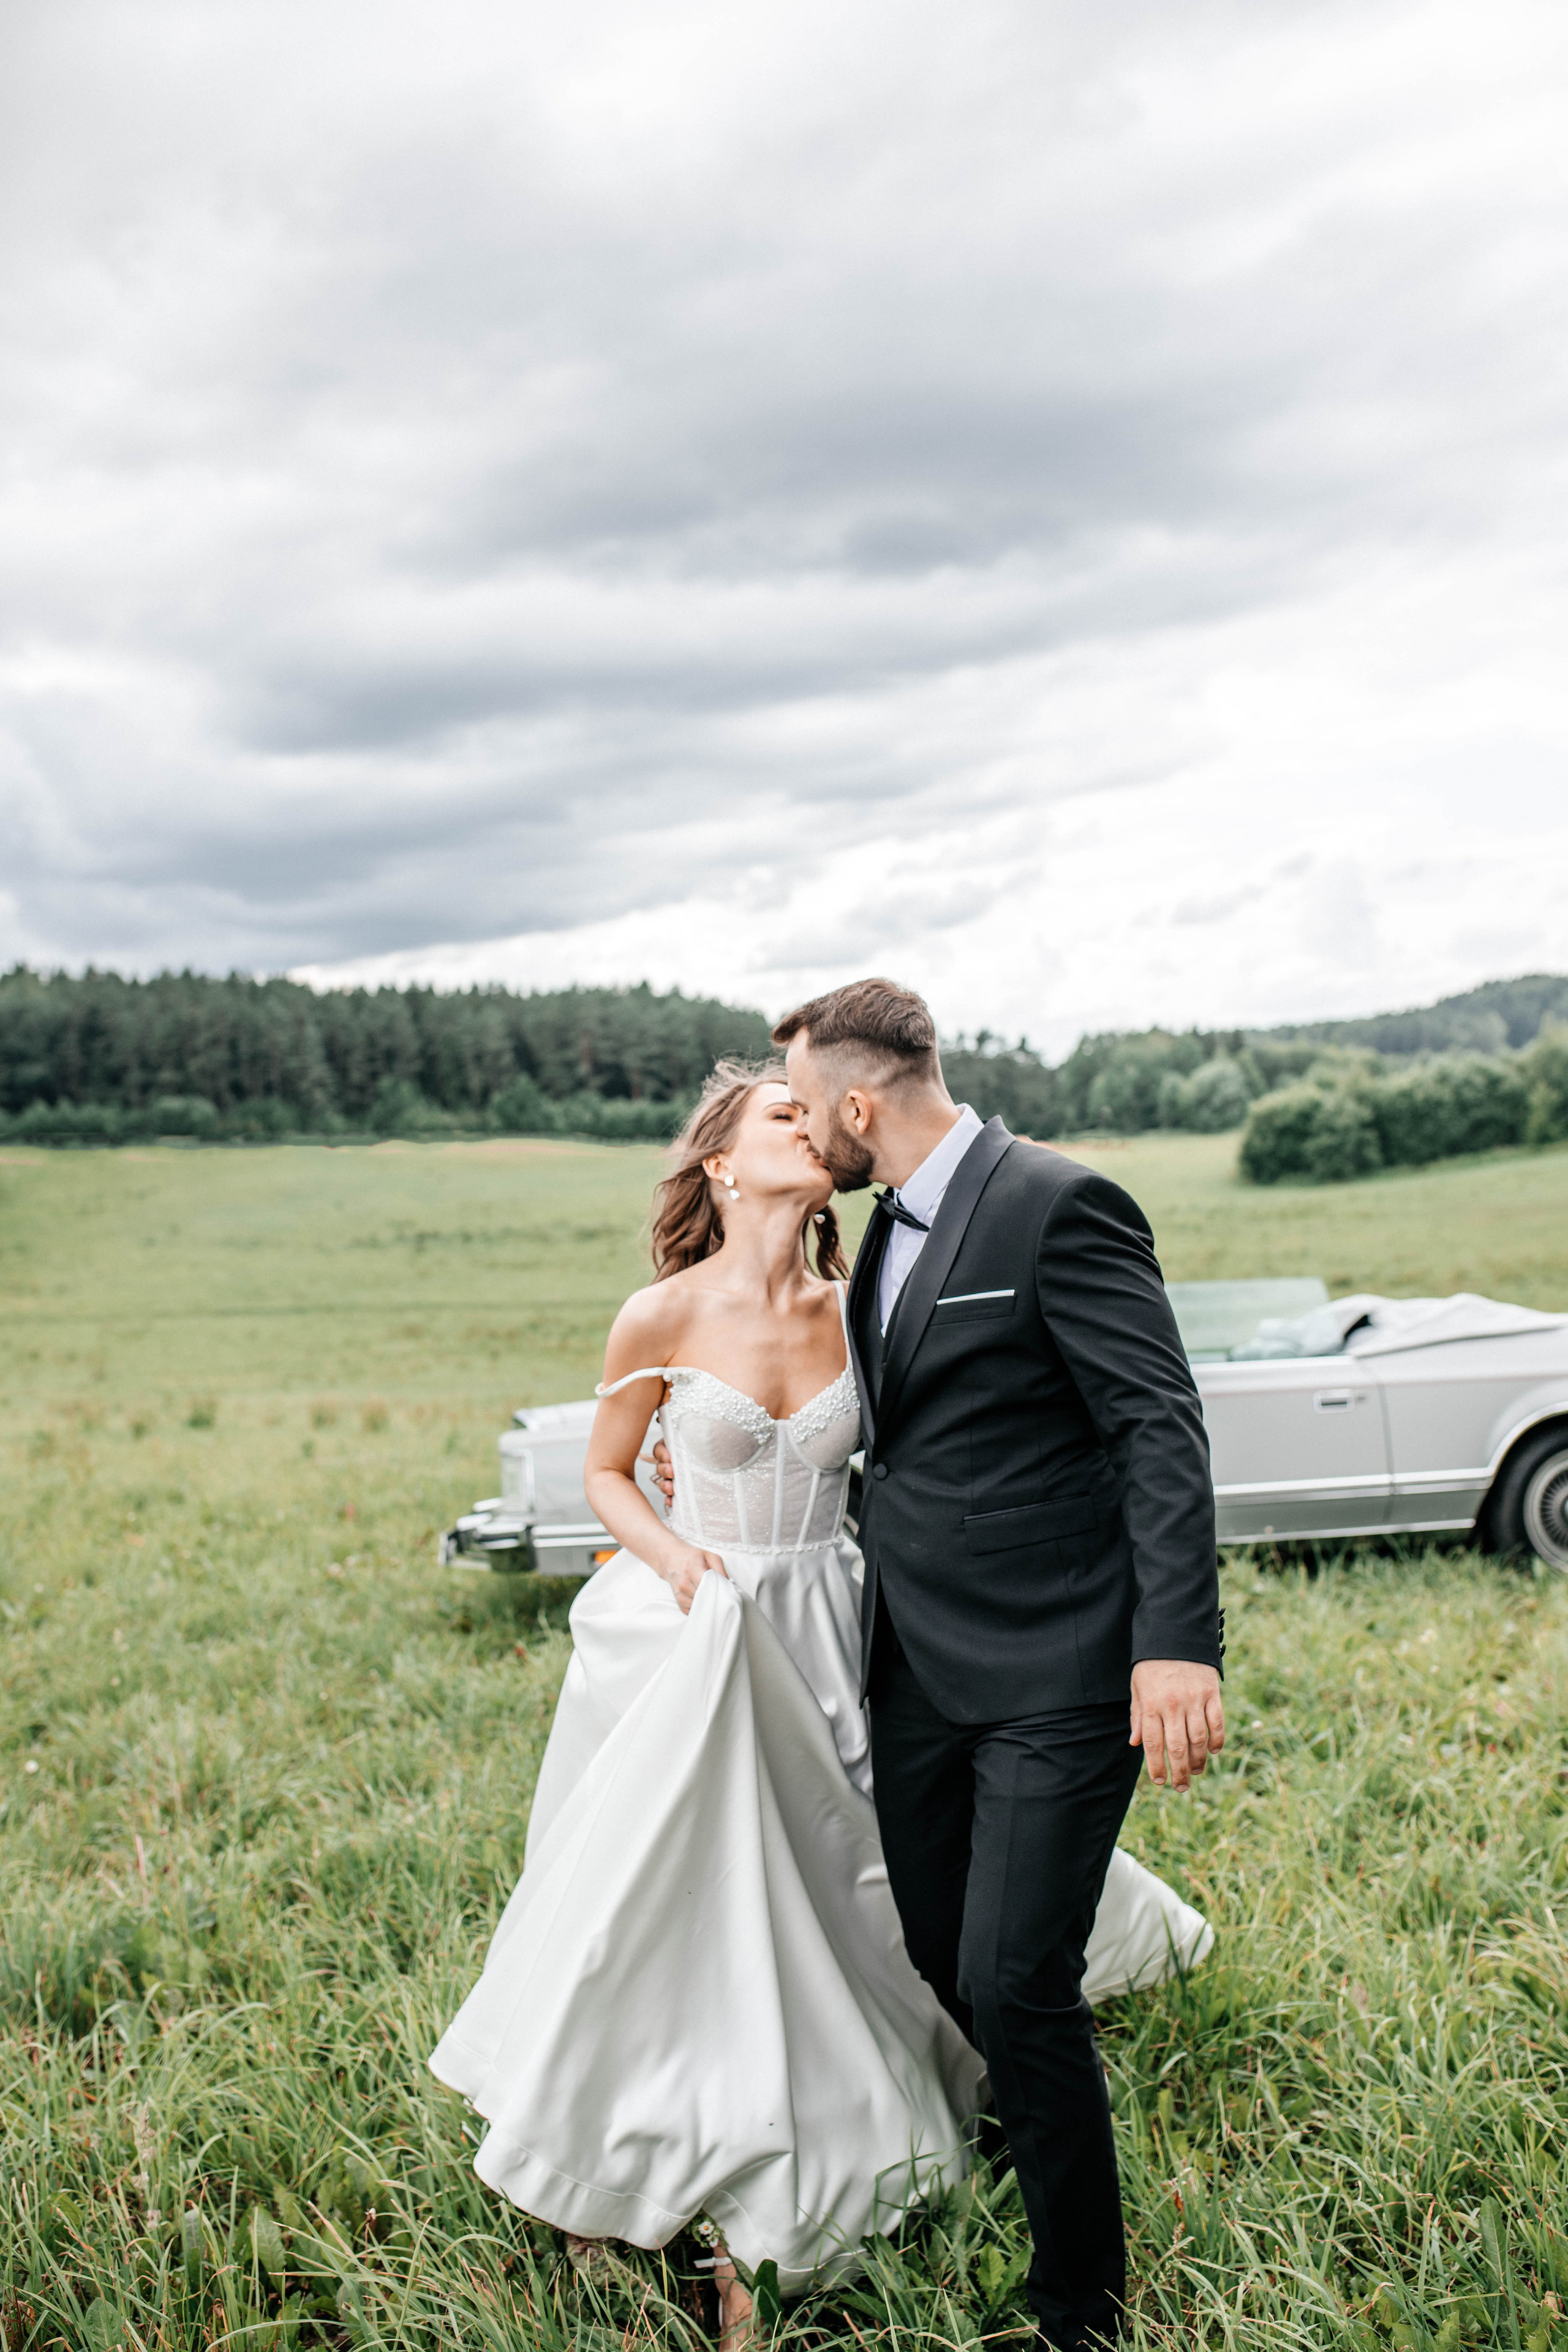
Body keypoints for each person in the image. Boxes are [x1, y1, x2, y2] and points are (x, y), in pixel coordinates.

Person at [429, 1058, 1212, 2343]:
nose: (810, 1125)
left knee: (864, 1871)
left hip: (846, 1615)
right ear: (721, 1164)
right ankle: (635, 2129)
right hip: (705, 1619)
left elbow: (924, 1447)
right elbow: (609, 1474)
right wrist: (678, 1557)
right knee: (684, 1888)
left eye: (812, 1108)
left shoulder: (865, 1308)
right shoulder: (657, 1315)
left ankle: (940, 2068)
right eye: (778, 1117)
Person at [771, 978, 1225, 2352]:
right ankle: (1040, 2113)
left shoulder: (1057, 1203)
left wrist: (1170, 1647)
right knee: (938, 1945)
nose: (796, 1130)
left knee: (1018, 1973)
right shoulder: (873, 1233)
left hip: (1063, 1666)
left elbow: (1156, 1426)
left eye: (801, 1106)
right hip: (915, 1664)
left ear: (861, 1103)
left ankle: (1077, 2304)